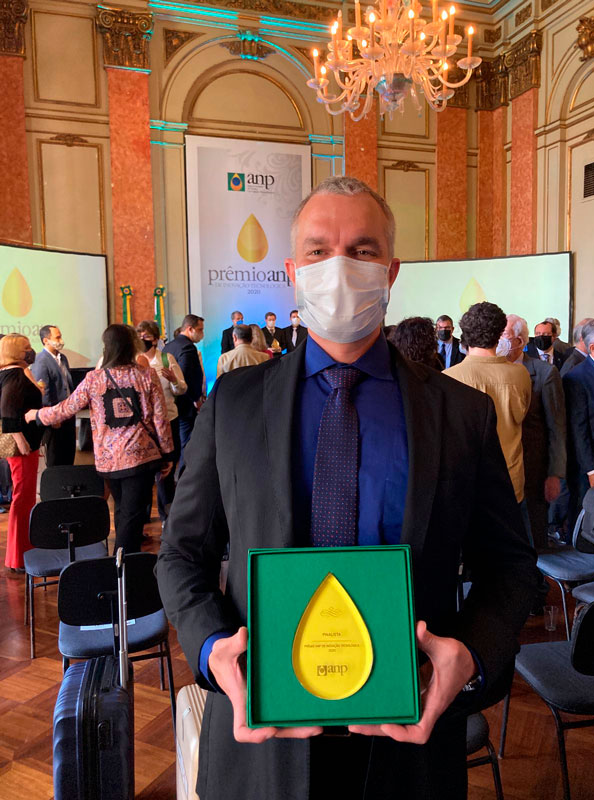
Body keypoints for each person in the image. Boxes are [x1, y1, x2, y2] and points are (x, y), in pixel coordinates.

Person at [157, 176, 537, 800]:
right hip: (262, 746)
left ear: (391, 272)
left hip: (410, 739)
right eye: (318, 250)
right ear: (292, 272)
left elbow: (511, 566)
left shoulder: (459, 412)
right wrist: (210, 647)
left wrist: (471, 654)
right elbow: (180, 555)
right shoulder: (235, 404)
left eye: (362, 250)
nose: (339, 266)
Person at [26, 324, 174, 554]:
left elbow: (66, 408)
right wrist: (167, 453)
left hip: (109, 460)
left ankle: (121, 562)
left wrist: (37, 415)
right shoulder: (146, 375)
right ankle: (123, 564)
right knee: (132, 515)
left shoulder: (94, 379)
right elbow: (160, 419)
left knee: (123, 511)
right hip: (142, 457)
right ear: (132, 345)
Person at [444, 302, 532, 515]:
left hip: (466, 483)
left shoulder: (448, 378)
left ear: (464, 333)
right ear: (499, 333)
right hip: (510, 479)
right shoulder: (520, 374)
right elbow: (523, 414)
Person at [500, 315, 566, 550]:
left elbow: (557, 427)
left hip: (534, 472)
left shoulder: (545, 373)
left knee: (534, 538)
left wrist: (554, 474)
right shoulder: (496, 371)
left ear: (519, 341)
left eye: (503, 335)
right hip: (502, 471)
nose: (498, 341)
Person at [0, 334, 43, 572]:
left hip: (23, 445)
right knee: (22, 499)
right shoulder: (15, 375)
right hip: (22, 448)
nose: (30, 351)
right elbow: (8, 410)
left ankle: (22, 551)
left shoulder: (8, 373)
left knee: (23, 499)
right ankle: (19, 556)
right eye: (26, 348)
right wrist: (21, 440)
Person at [137, 320, 187, 523]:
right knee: (144, 472)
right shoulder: (134, 361)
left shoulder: (167, 359)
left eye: (146, 336)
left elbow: (182, 388)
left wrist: (174, 380)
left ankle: (167, 517)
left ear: (155, 339)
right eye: (139, 336)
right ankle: (143, 516)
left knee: (166, 472)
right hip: (145, 426)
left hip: (168, 420)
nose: (142, 339)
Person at [563, 318, 594, 529]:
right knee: (587, 521)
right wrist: (592, 469)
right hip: (589, 466)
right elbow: (578, 429)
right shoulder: (576, 378)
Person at [30, 324, 76, 467]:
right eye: (57, 337)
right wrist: (51, 417)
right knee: (56, 456)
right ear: (46, 340)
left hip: (68, 412)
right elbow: (44, 392)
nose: (61, 340)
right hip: (54, 416)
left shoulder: (63, 358)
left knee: (69, 454)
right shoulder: (41, 360)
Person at [163, 315, 205, 453]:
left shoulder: (168, 346)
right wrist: (196, 399)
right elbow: (188, 376)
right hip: (185, 403)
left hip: (171, 402)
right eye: (200, 329)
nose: (202, 333)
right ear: (190, 329)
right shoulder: (188, 347)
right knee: (186, 445)